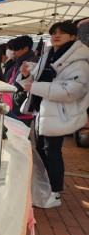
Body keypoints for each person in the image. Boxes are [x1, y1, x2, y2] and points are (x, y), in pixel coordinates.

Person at [18, 20, 89, 208]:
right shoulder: (49, 55)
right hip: (43, 110)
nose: (56, 35)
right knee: (42, 151)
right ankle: (45, 188)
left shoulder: (79, 62)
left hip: (60, 113)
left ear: (73, 36)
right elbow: (41, 76)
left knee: (52, 152)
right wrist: (27, 74)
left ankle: (55, 191)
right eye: (53, 32)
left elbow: (71, 91)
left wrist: (35, 86)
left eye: (62, 32)